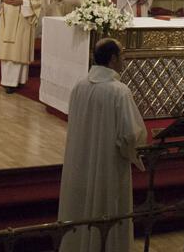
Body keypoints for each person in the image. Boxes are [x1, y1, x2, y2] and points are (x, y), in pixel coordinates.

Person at [58, 38, 146, 252]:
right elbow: (130, 134)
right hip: (107, 166)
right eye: (122, 55)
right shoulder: (119, 91)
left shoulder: (79, 87)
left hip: (80, 163)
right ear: (113, 59)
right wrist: (136, 152)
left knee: (79, 209)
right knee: (108, 209)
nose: (124, 60)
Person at [0, 0, 42, 93]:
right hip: (6, 23)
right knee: (8, 53)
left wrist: (22, 2)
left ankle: (19, 81)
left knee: (18, 52)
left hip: (22, 23)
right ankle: (8, 82)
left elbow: (37, 2)